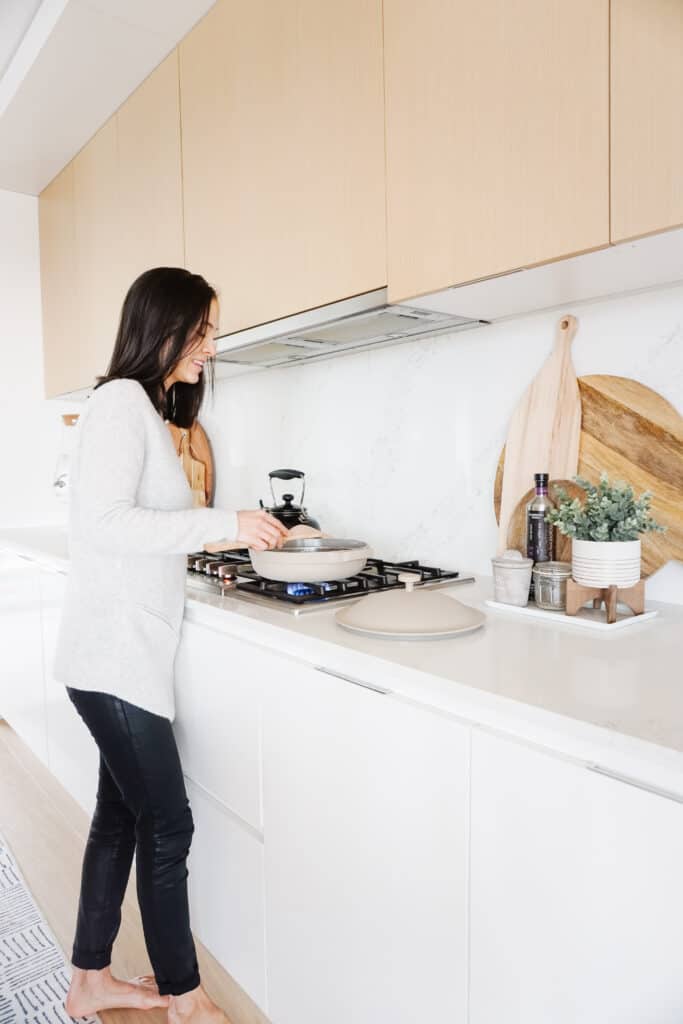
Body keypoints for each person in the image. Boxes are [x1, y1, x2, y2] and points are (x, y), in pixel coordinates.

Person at [53, 267, 288, 1021]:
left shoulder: (143, 412)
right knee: (168, 822)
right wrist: (222, 522)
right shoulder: (121, 403)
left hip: (117, 654)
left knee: (120, 815)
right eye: (203, 331)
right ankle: (185, 999)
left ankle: (89, 981)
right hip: (113, 657)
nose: (211, 349)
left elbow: (138, 529)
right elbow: (105, 523)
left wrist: (227, 527)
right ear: (163, 325)